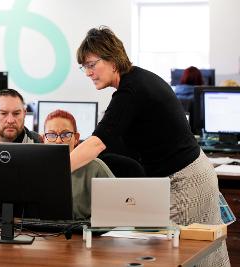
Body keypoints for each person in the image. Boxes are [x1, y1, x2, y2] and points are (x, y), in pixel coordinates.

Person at [71, 26, 229, 266]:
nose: (88, 73)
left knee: (179, 256)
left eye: (91, 64)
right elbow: (111, 140)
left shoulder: (131, 90)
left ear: (112, 58)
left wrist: (51, 170)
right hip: (190, 174)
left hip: (186, 181)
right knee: (200, 256)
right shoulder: (136, 81)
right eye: (84, 67)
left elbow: (97, 143)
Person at [43, 109, 114, 220]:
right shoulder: (35, 167)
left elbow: (117, 207)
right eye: (51, 135)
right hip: (41, 233)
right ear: (43, 139)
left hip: (82, 234)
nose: (58, 141)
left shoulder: (95, 167)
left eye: (65, 134)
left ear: (76, 138)